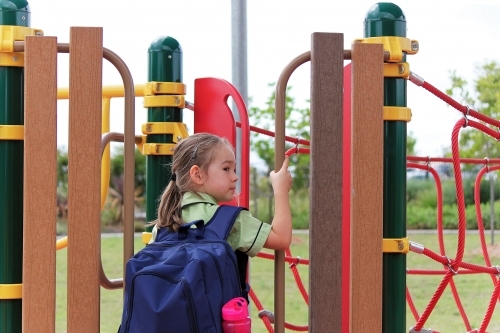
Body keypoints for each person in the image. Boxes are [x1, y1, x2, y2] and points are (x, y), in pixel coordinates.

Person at [148, 132, 293, 256]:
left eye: (234, 169)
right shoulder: (229, 220)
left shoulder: (163, 224)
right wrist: (280, 189)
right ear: (197, 175)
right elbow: (281, 239)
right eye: (226, 169)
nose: (235, 177)